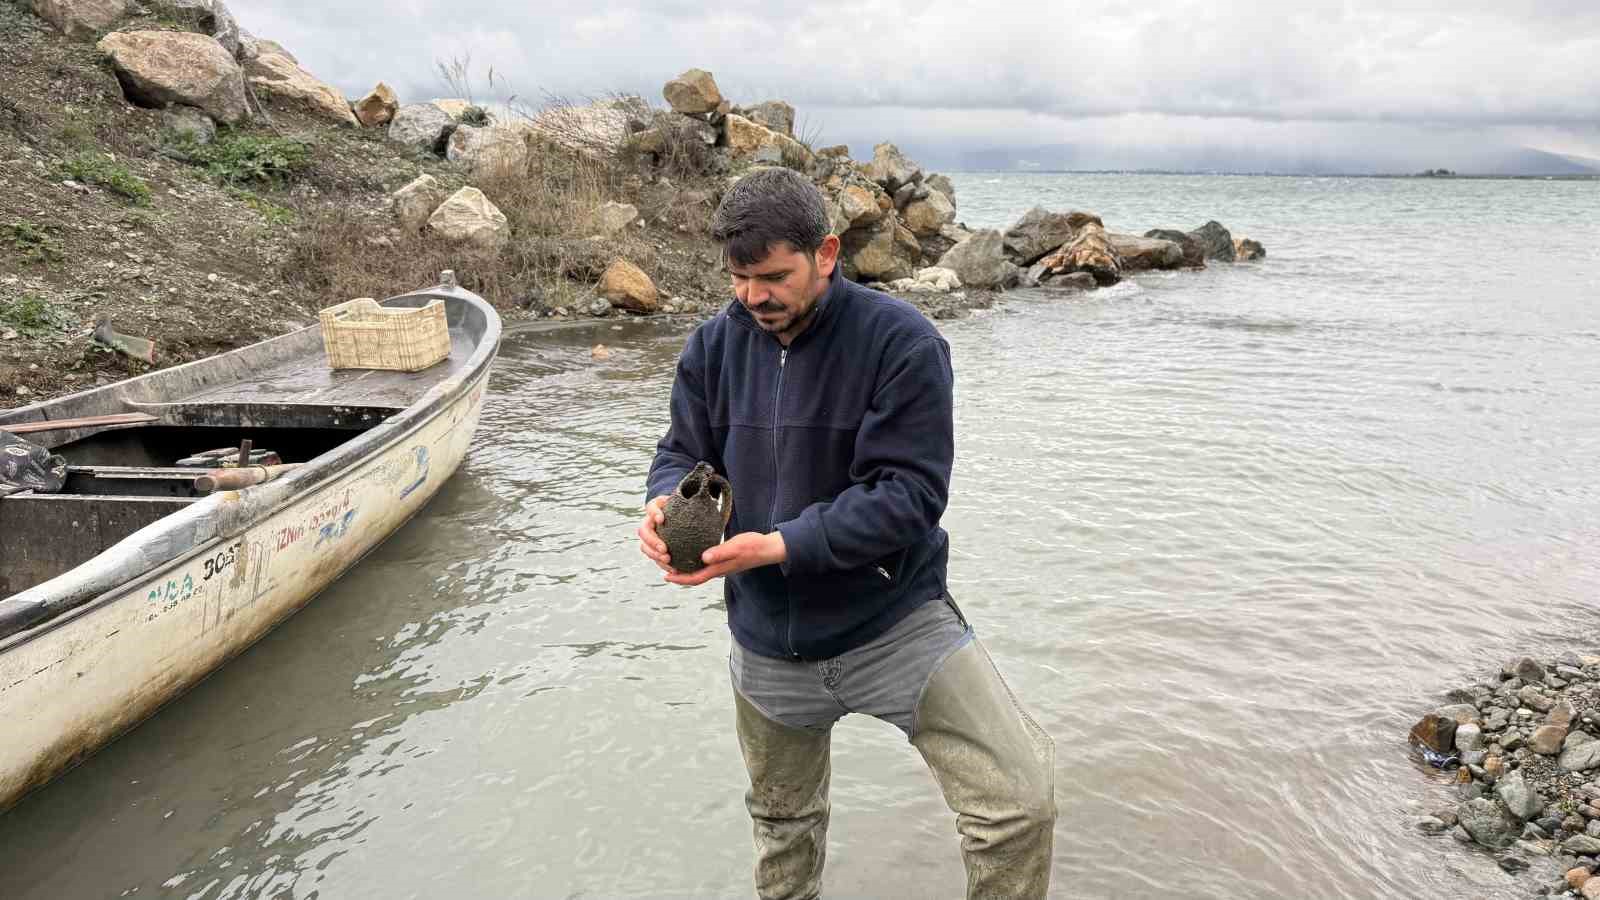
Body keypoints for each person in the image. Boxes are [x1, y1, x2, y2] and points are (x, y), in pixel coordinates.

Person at [638, 167, 1055, 899]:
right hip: (767, 639)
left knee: (1018, 805)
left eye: (773, 276)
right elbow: (683, 452)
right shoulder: (712, 346)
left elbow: (911, 495)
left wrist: (783, 544)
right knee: (781, 826)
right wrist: (664, 502)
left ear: (827, 253)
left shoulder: (903, 342)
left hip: (894, 623)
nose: (753, 297)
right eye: (738, 277)